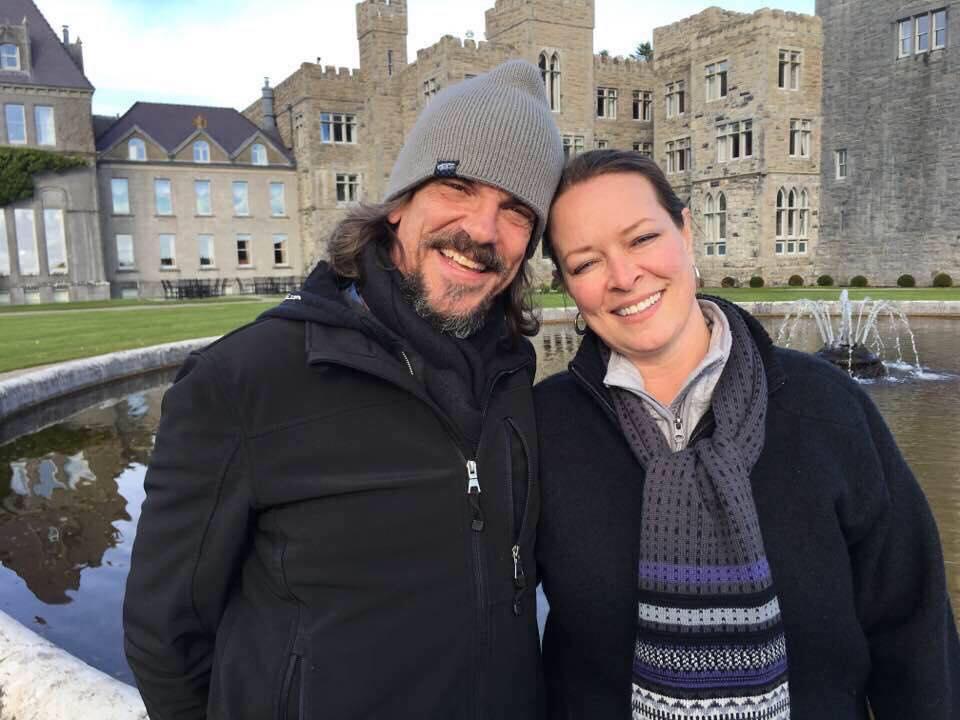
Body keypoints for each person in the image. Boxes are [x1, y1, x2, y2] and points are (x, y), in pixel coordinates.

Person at [123, 60, 564, 720]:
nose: (481, 230)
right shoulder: (246, 382)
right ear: (398, 203)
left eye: (516, 211)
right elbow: (165, 637)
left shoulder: (512, 381)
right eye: (458, 187)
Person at [534, 149, 960, 719]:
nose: (623, 276)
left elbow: (914, 630)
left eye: (641, 239)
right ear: (565, 284)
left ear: (686, 231)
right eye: (586, 263)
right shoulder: (542, 428)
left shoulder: (827, 408)